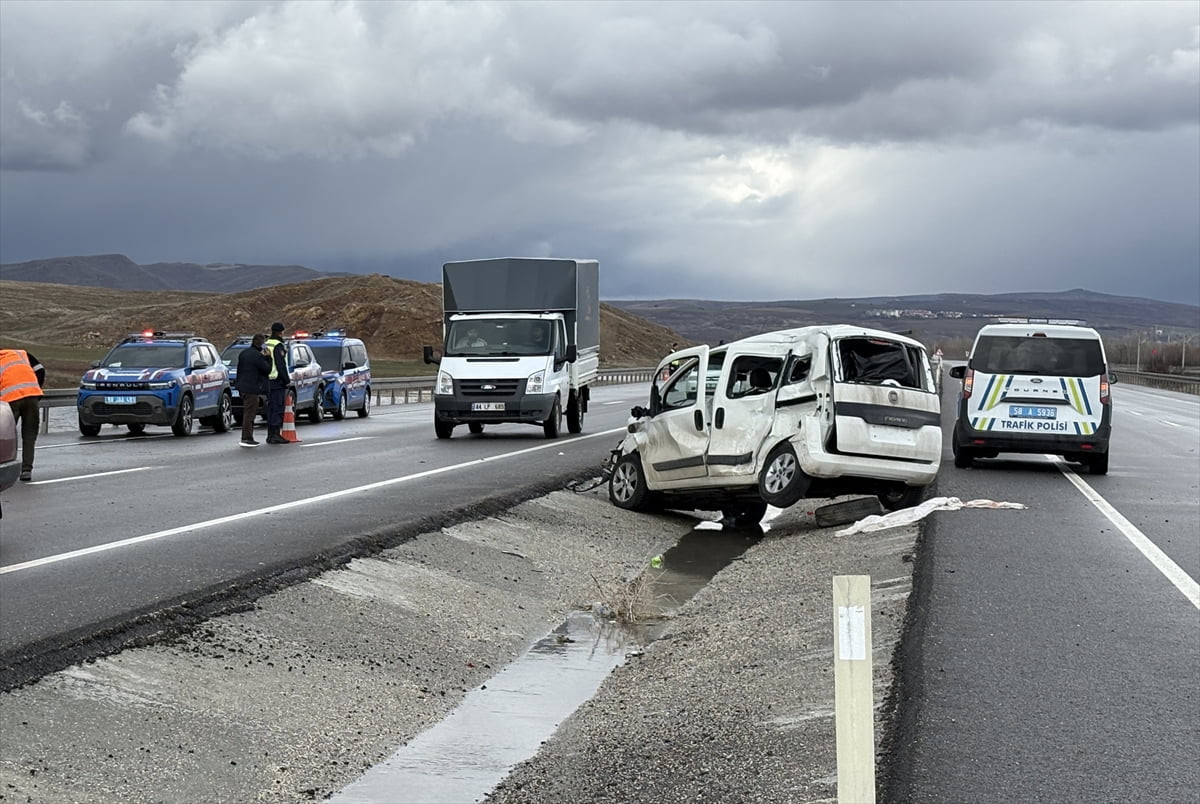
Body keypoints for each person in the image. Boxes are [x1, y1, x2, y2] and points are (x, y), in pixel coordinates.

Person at [0, 348, 46, 481]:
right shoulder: (21, 354)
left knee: (5, 437)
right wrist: (36, 388)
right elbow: (40, 369)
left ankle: (4, 469)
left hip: (10, 399)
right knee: (29, 436)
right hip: (32, 396)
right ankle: (26, 470)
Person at [235, 334, 271, 447]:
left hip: (242, 387)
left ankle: (247, 436)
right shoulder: (257, 356)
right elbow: (267, 369)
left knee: (248, 412)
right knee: (250, 414)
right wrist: (268, 357)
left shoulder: (244, 353)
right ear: (261, 344)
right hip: (252, 388)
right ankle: (246, 437)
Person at [264, 322, 291, 445]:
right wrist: (287, 380)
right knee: (277, 408)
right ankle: (275, 435)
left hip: (267, 381)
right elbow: (281, 365)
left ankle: (270, 435)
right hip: (277, 381)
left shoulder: (267, 344)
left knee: (271, 408)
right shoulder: (278, 346)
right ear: (281, 332)